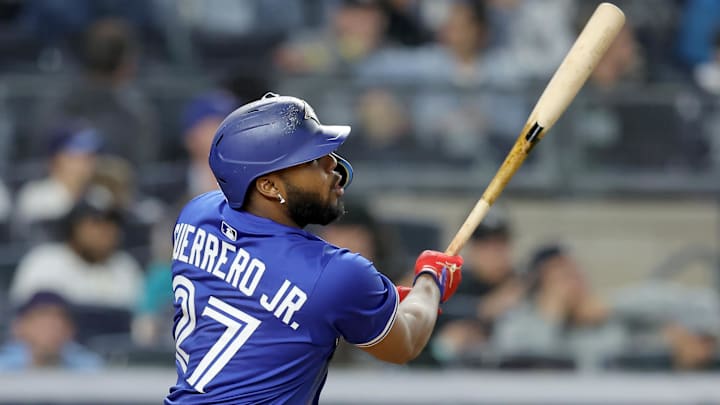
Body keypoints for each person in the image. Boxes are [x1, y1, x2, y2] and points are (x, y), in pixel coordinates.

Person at [164, 93, 463, 404]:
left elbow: (258, 290)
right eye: (312, 160)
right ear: (268, 186)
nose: (334, 165)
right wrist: (429, 282)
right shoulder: (335, 273)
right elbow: (406, 342)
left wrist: (369, 303)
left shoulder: (196, 215)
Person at [10, 194, 144, 310]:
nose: (106, 231)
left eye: (112, 222)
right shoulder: (44, 262)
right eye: (96, 223)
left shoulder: (126, 267)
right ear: (74, 227)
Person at [0, 291, 103, 370]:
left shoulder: (90, 367)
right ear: (20, 327)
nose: (52, 329)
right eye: (42, 322)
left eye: (60, 320)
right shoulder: (3, 367)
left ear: (70, 329)